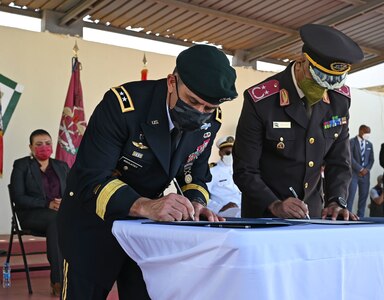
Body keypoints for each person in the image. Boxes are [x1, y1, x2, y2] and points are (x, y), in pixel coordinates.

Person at [57, 44, 237, 299]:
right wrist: (145, 205)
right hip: (92, 222)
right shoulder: (122, 106)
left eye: (208, 108)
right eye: (193, 101)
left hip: (145, 231)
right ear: (172, 82)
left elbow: (194, 174)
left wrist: (196, 203)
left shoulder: (210, 121)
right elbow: (91, 178)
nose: (200, 113)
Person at [233, 24, 364, 220]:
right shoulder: (262, 101)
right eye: (319, 79)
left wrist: (336, 201)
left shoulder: (339, 101)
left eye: (332, 83)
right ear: (302, 61)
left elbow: (339, 162)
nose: (323, 89)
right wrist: (274, 204)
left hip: (313, 215)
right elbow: (245, 168)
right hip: (265, 215)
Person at [9, 129, 69, 296]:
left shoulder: (61, 166)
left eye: (48, 143)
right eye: (39, 144)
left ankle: (78, 277)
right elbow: (18, 197)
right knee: (56, 221)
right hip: (31, 215)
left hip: (59, 216)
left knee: (72, 221)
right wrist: (47, 203)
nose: (45, 147)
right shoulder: (21, 165)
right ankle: (58, 280)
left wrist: (65, 202)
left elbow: (73, 191)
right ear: (31, 146)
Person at [207, 135, 242, 217]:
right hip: (223, 213)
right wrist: (219, 207)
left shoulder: (241, 169)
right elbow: (202, 196)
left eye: (233, 153)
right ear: (220, 153)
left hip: (242, 210)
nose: (230, 156)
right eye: (227, 153)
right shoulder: (212, 171)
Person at [347, 125, 374, 217]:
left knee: (363, 198)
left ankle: (361, 217)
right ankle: (347, 217)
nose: (368, 135)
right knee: (350, 197)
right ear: (361, 131)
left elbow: (371, 159)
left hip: (365, 176)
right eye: (367, 132)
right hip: (354, 174)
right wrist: (360, 169)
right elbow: (350, 158)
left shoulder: (369, 144)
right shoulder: (351, 142)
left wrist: (366, 169)